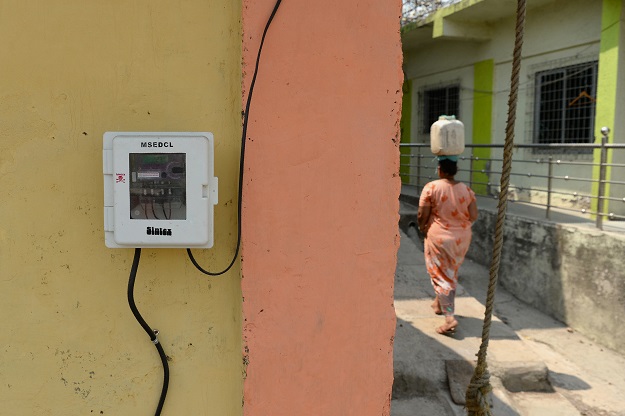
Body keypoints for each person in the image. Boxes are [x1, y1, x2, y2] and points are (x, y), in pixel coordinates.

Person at [417, 156, 478, 335]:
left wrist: (423, 227)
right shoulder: (466, 190)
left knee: (441, 276)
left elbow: (422, 213)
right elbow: (474, 215)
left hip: (440, 237)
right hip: (462, 238)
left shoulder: (431, 187)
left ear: (440, 170)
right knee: (449, 272)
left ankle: (449, 318)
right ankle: (438, 304)